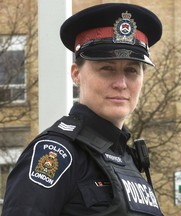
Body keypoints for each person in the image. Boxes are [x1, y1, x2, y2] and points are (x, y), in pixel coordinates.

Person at [1, 3, 163, 216]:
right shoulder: (58, 153)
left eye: (131, 71)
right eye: (107, 69)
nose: (121, 83)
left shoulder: (127, 158)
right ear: (76, 74)